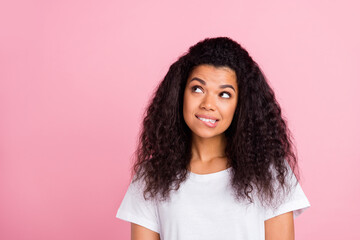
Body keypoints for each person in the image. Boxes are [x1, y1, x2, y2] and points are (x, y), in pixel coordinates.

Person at [116, 37, 310, 240]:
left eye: (224, 94)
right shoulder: (152, 176)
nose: (208, 104)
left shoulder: (269, 173)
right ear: (180, 93)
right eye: (197, 89)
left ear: (241, 105)